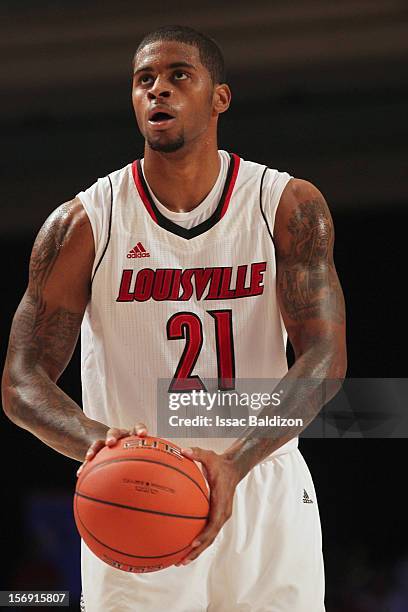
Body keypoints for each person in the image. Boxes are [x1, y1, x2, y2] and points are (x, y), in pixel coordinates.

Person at [2, 25, 347, 612]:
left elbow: (325, 359)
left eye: (178, 76)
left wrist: (234, 466)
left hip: (259, 473)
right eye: (145, 80)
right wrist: (98, 444)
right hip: (135, 487)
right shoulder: (85, 223)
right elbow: (21, 381)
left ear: (220, 97)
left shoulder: (286, 205)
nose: (158, 90)